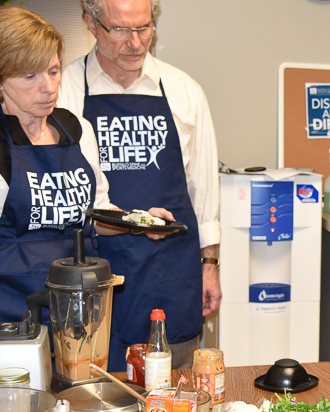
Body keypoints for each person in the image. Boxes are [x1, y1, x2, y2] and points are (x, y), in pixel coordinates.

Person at [0, 6, 170, 331]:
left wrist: (138, 221)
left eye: (53, 71)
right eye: (30, 76)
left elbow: (96, 213)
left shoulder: (77, 130)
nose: (49, 87)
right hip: (2, 316)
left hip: (75, 310)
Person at [58, 0, 222, 371]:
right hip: (95, 270)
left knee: (176, 389)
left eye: (144, 28)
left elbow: (204, 191)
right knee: (97, 385)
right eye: (120, 30)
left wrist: (210, 264)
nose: (135, 43)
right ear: (91, 23)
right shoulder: (63, 89)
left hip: (171, 270)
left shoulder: (184, 91)